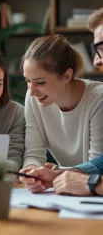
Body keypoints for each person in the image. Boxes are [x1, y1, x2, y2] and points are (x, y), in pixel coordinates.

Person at [20, 34, 103, 190]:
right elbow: (33, 153)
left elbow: (98, 167)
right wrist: (33, 175)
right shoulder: (34, 99)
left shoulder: (98, 99)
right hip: (63, 188)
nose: (31, 91)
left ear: (67, 75)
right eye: (28, 81)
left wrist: (55, 173)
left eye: (40, 82)